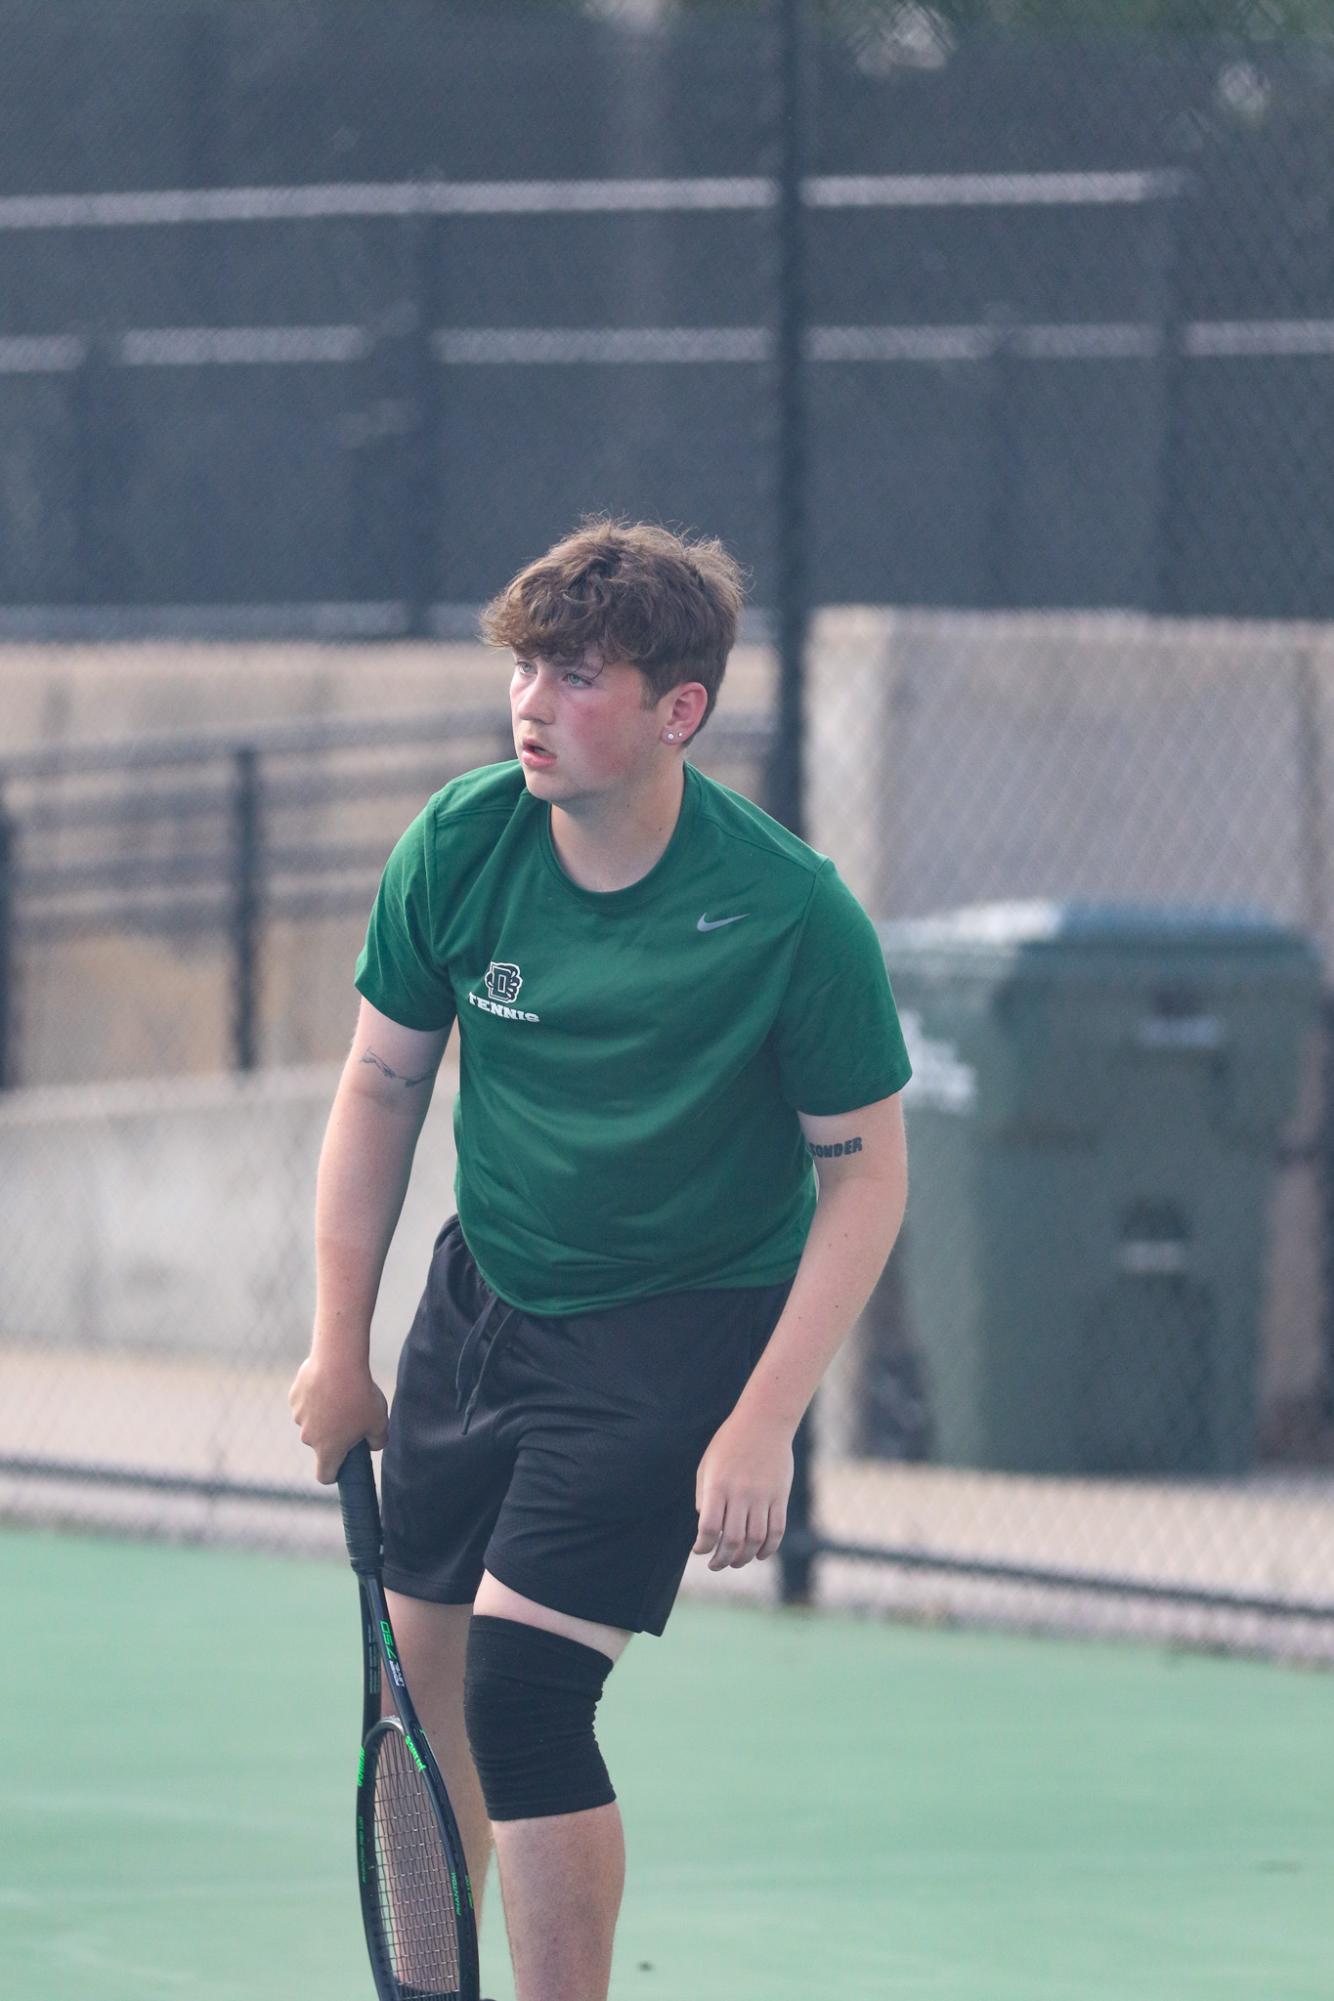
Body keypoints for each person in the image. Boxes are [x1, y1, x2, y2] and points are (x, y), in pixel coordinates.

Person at [289, 517, 911, 2001]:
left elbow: (868, 1178)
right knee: (419, 1691)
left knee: (522, 1693)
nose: (528, 703)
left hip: (672, 1336)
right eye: (521, 668)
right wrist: (337, 1342)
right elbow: (379, 1088)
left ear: (675, 710)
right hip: (482, 1302)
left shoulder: (787, 915)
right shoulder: (459, 841)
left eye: (574, 676)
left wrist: (761, 1413)